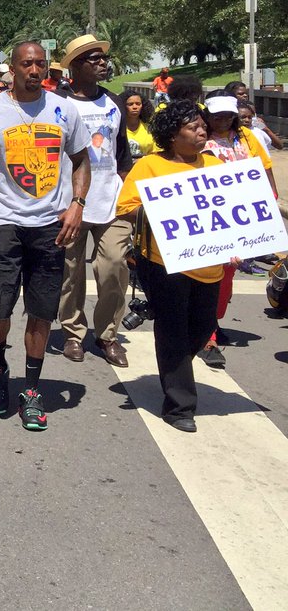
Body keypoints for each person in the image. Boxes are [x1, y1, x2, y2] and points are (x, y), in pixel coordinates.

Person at [0, 41, 90, 432]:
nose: (34, 69)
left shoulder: (65, 109)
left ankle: (30, 388)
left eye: (40, 63)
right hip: (3, 222)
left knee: (42, 310)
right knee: (0, 304)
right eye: (27, 63)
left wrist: (77, 203)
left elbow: (81, 160)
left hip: (50, 224)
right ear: (12, 68)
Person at [116, 101, 228, 432]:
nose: (201, 130)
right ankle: (179, 406)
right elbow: (126, 207)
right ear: (172, 135)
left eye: (202, 125)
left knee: (201, 327)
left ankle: (173, 369)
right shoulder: (151, 166)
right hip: (163, 264)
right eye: (192, 126)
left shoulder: (215, 164)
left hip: (210, 265)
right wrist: (163, 212)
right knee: (174, 331)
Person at [55, 36, 134, 367]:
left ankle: (107, 334)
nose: (103, 63)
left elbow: (122, 154)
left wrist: (133, 197)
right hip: (68, 202)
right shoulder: (56, 103)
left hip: (110, 201)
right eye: (93, 59)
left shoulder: (114, 102)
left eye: (104, 58)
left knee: (114, 265)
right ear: (75, 66)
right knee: (69, 272)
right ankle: (74, 333)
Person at [197, 92, 276, 369]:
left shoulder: (247, 138)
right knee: (208, 272)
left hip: (240, 216)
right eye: (216, 116)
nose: (221, 120)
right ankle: (207, 336)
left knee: (227, 275)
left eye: (227, 116)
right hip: (207, 215)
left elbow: (264, 168)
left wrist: (271, 198)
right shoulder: (198, 138)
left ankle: (212, 322)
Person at [226, 81, 282, 149]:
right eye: (241, 94)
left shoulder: (255, 126)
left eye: (250, 116)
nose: (245, 95)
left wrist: (266, 129)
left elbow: (279, 145)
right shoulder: (226, 126)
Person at [120, 89, 155, 158]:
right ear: (123, 106)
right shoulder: (117, 128)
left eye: (138, 104)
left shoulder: (149, 128)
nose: (135, 107)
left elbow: (156, 153)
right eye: (130, 104)